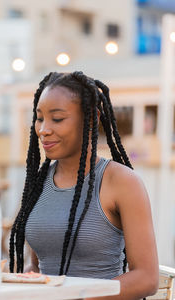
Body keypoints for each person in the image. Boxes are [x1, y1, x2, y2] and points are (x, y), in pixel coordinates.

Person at [9, 71, 159, 300]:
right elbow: (38, 268)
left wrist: (76, 297)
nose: (43, 129)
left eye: (57, 119)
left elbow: (146, 279)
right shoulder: (37, 184)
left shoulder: (122, 182)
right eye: (39, 118)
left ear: (91, 118)